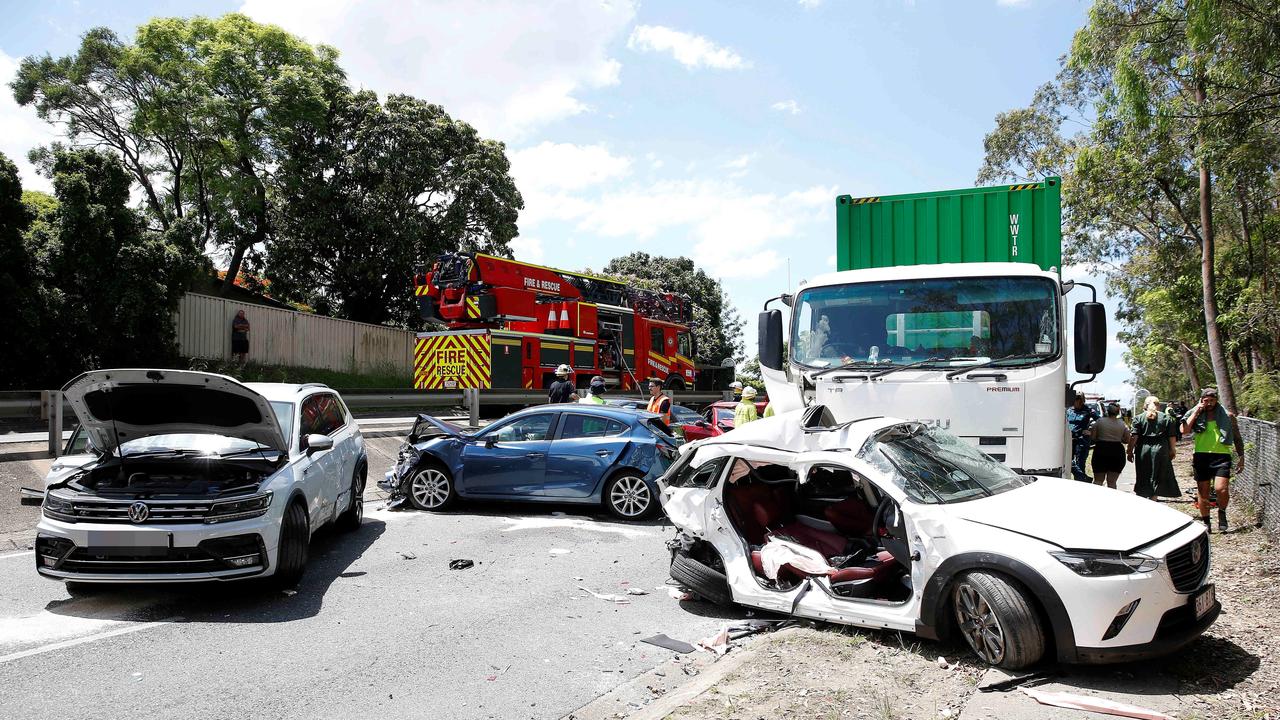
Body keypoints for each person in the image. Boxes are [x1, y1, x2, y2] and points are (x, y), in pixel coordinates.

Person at [1181, 387, 1245, 533]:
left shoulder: (1227, 416)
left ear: (1217, 400)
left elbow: (1237, 437)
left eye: (1212, 400)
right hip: (1201, 456)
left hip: (1222, 456)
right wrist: (1197, 411)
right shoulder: (1195, 414)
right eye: (1206, 401)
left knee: (1220, 489)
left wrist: (1241, 458)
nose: (1209, 403)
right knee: (1203, 492)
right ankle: (1206, 522)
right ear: (1201, 401)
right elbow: (1184, 431)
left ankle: (1222, 511)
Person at [1127, 396, 1180, 500]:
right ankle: (1153, 499)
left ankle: (1141, 498)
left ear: (1144, 406)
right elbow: (1172, 437)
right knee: (1157, 476)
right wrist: (1172, 450)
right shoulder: (1166, 418)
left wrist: (1129, 451)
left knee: (1143, 475)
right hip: (1161, 450)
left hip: (1143, 450)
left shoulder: (1138, 418)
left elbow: (1134, 436)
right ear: (1159, 406)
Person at [1089, 403, 1131, 489]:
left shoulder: (1100, 422)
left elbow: (1093, 437)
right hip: (1117, 451)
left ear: (1107, 411)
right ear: (1118, 412)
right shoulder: (1122, 424)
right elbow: (1127, 440)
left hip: (1101, 450)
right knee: (1112, 482)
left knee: (1098, 481)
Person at [1066, 393, 1098, 482]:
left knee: (1080, 463)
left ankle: (1081, 481)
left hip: (1082, 440)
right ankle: (1084, 478)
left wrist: (1091, 431)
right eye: (1075, 398)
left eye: (1079, 399)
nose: (1076, 401)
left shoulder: (1088, 410)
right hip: (1069, 440)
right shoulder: (1069, 410)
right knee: (1068, 462)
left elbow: (1100, 421)